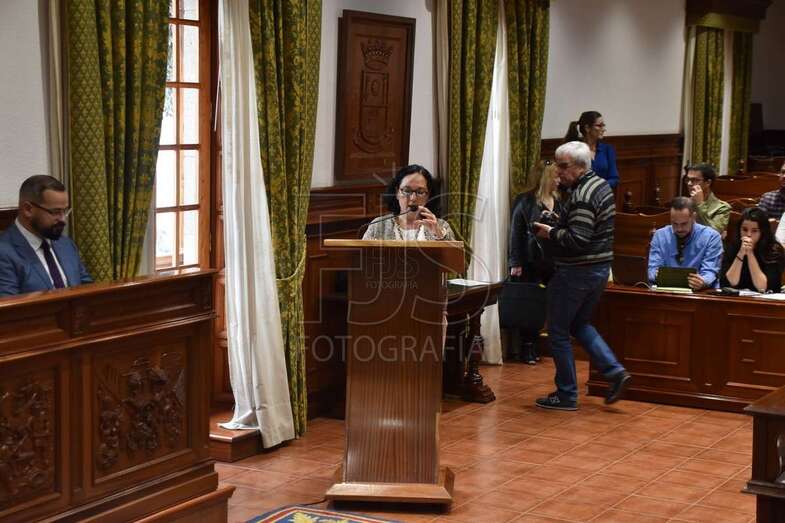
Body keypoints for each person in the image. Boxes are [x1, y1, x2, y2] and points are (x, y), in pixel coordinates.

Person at [532, 141, 630, 410]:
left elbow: (578, 239)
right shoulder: (600, 185)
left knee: (558, 331)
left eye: (563, 166)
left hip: (577, 271)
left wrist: (550, 232)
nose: (558, 172)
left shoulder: (583, 194)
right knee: (579, 324)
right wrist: (558, 222)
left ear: (580, 166)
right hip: (599, 269)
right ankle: (615, 371)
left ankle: (566, 394)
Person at [508, 160, 563, 364]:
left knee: (549, 304)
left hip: (553, 261)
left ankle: (539, 343)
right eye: (555, 176)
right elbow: (516, 232)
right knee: (531, 303)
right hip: (531, 260)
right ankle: (527, 346)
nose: (559, 180)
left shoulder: (559, 200)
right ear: (545, 177)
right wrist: (515, 262)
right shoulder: (525, 200)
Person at [0, 175, 92, 296]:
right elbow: (9, 305)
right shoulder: (4, 253)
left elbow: (87, 288)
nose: (63, 219)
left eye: (65, 211)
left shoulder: (66, 244)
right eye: (55, 212)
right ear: (28, 209)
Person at [363, 164, 455, 241]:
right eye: (407, 191)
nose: (413, 198)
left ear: (428, 196)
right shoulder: (378, 225)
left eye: (420, 192)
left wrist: (439, 235)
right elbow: (363, 256)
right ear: (397, 193)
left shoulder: (442, 226)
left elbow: (454, 256)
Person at [648, 197, 723, 290]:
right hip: (666, 291)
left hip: (699, 293)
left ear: (693, 217)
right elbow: (652, 270)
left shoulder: (712, 237)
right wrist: (657, 275)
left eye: (684, 224)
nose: (679, 229)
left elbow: (710, 272)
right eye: (675, 224)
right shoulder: (660, 235)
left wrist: (703, 281)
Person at [720, 207, 784, 293]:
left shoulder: (773, 251)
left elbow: (763, 287)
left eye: (754, 231)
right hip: (737, 298)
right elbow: (729, 283)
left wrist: (750, 254)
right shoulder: (733, 247)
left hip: (765, 299)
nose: (748, 234)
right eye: (745, 229)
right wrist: (741, 253)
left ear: (762, 232)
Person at [564, 111, 619, 189]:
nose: (603, 129)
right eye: (599, 126)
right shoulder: (574, 150)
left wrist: (598, 188)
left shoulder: (608, 149)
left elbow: (614, 178)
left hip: (603, 193)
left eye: (603, 125)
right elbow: (569, 180)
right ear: (587, 128)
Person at [685, 163, 731, 236]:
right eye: (688, 179)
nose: (689, 183)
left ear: (708, 183)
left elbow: (713, 234)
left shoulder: (722, 208)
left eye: (694, 180)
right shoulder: (684, 203)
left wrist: (700, 204)